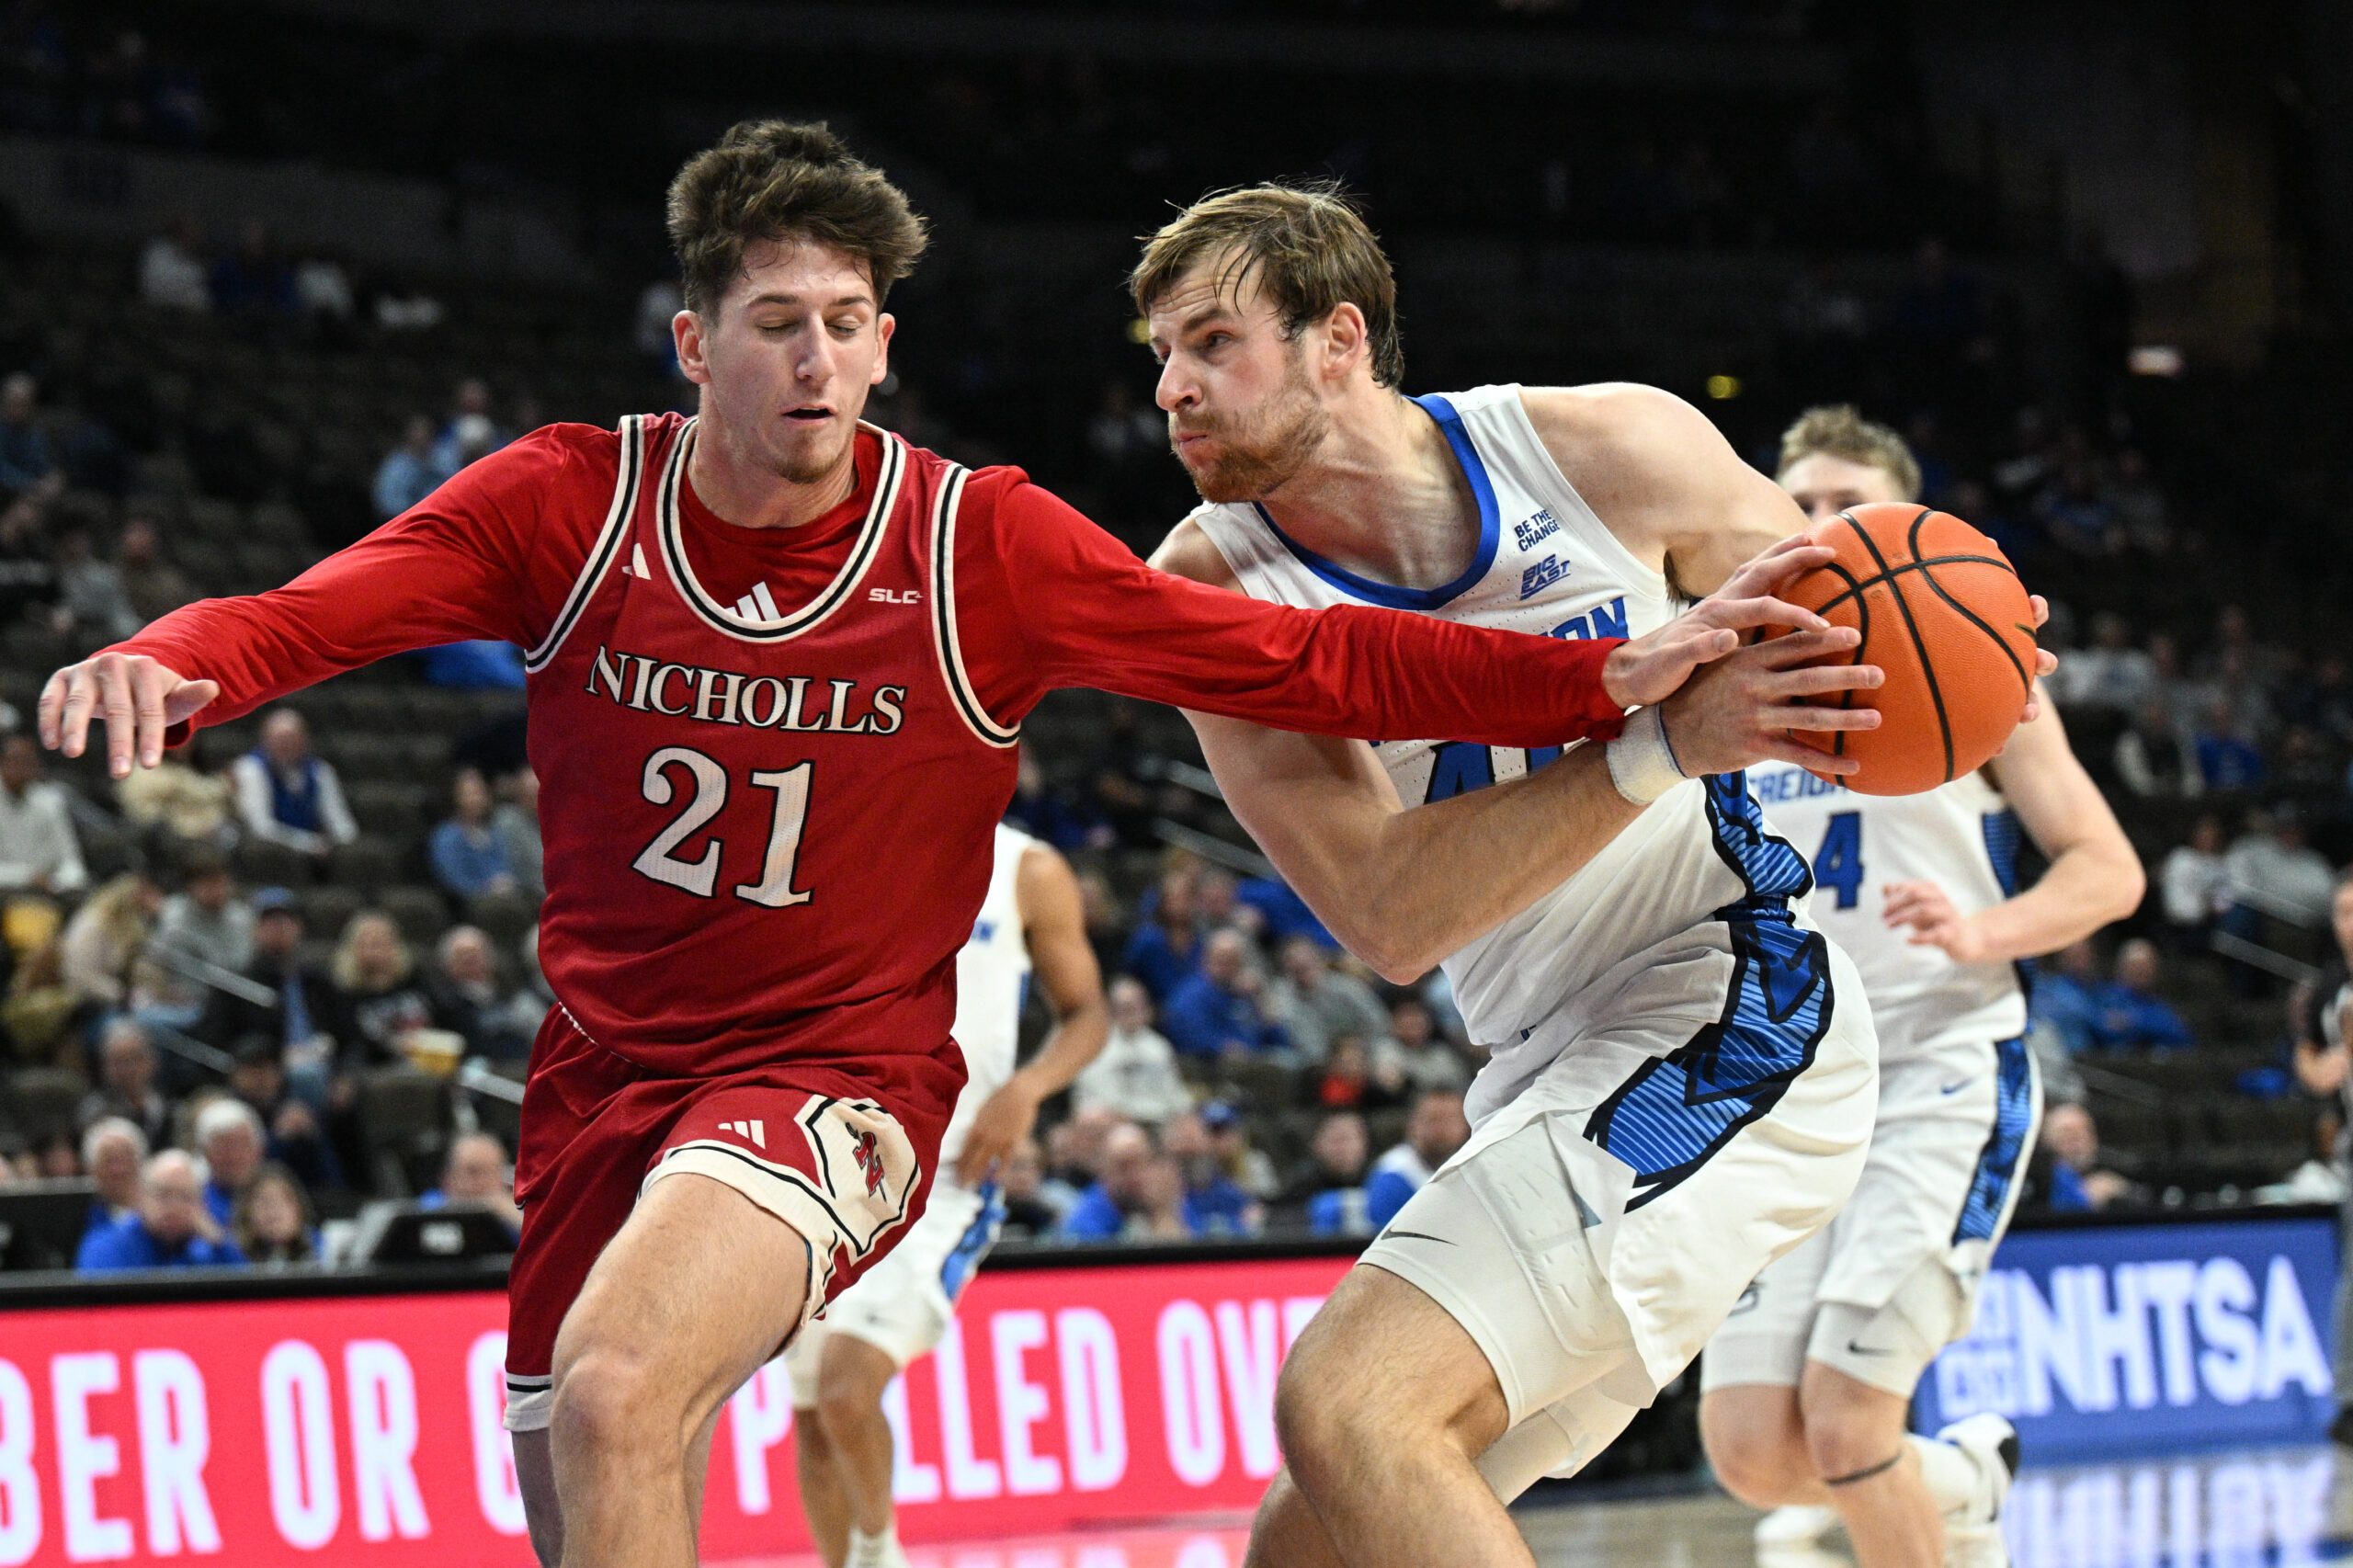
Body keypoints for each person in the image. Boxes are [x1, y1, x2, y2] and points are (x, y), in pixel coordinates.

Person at [38, 121, 1728, 1568]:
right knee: (589, 1474)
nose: (817, 362)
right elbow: (314, 609)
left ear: (886, 344)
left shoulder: (974, 543)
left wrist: (1598, 676)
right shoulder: (567, 503)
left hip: (835, 1076)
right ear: (694, 347)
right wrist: (174, 659)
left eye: (847, 324)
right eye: (776, 323)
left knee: (627, 1381)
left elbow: (1300, 657)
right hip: (600, 1078)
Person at [1133, 187, 2039, 1568]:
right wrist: (1660, 745)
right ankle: (1939, 1492)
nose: (1173, 387)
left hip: (1736, 1010)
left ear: (1338, 341)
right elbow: (1387, 912)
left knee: (1347, 1402)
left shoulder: (1608, 447)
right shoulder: (1213, 587)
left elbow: (1874, 629)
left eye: (1212, 343)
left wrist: (1962, 651)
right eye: (1159, 355)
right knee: (1311, 1535)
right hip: (1544, 1058)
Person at [1706, 405, 2143, 1568]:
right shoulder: (1726, 684)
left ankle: (1918, 1501)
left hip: (1938, 1066)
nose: (1812, 521)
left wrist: (1979, 927)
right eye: (1793, 502)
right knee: (1751, 1450)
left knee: (1849, 1421)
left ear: (1901, 526)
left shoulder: (1975, 662)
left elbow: (2108, 870)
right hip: (1785, 1090)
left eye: (1841, 501)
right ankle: (1964, 1480)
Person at [787, 824, 1108, 1568]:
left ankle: (880, 1553)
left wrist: (1029, 1088)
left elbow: (1087, 1013)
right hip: (833, 1162)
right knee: (810, 1417)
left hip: (950, 1175)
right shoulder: (846, 839)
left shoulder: (1027, 866)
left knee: (845, 1389)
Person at [2289, 871, 2353, 1444]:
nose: (2348, 925)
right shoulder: (2329, 987)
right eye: (2341, 913)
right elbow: (2309, 1062)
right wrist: (2324, 1069)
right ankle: (2349, 1399)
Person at [75, 1150, 245, 1271]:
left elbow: (247, 1296)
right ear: (141, 1196)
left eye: (185, 1197)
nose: (174, 1207)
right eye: (163, 1194)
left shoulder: (211, 1249)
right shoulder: (106, 1246)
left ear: (202, 1204)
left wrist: (219, 1243)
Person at [229, 709, 358, 859]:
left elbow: (342, 825)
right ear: (265, 740)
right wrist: (308, 843)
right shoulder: (250, 768)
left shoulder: (320, 771)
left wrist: (341, 844)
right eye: (279, 739)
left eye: (291, 738)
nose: (285, 745)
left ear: (304, 739)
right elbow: (260, 827)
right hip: (265, 854)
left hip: (312, 855)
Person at [1070, 974, 1190, 1125]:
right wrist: (1138, 1116)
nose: (1135, 1013)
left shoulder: (1158, 1046)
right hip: (1114, 1122)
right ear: (1111, 1009)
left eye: (1140, 1007)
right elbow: (1103, 1098)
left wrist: (1185, 1116)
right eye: (1127, 1008)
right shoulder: (1094, 1046)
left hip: (1158, 1119)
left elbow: (1174, 1092)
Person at [1161, 927, 1287, 1059]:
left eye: (1233, 961)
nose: (1226, 967)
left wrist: (1262, 999)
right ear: (1205, 959)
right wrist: (1225, 1048)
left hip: (1260, 1061)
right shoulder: (1191, 995)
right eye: (1220, 959)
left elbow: (1279, 1041)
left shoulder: (1246, 991)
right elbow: (1194, 1039)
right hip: (1219, 1068)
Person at [1364, 1087, 1471, 1230]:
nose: (1442, 1129)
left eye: (1450, 1120)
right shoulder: (1393, 1173)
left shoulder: (1472, 1167)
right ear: (1413, 1123)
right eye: (1433, 1119)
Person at [0, 731, 88, 897]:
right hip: (6, 892)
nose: (22, 768)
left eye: (28, 762)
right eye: (16, 761)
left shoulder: (51, 802)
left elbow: (71, 861)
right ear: (2, 763)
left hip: (47, 892)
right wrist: (27, 877)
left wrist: (60, 883)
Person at [76, 1018, 171, 1151]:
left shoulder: (167, 1105)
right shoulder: (97, 1111)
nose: (129, 1069)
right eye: (119, 1062)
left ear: (152, 1061)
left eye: (135, 1059)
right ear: (105, 1067)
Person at [430, 767, 520, 904]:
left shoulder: (493, 832)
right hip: (469, 904)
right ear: (455, 797)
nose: (477, 799)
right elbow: (454, 880)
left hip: (505, 898)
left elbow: (505, 866)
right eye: (470, 794)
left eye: (481, 793)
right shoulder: (447, 836)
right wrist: (486, 889)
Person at [2089, 937, 2193, 1051]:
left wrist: (2134, 1022)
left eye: (2147, 967)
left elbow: (2180, 1035)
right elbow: (2102, 1029)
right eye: (2136, 967)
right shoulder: (2105, 998)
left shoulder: (2157, 1004)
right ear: (2122, 968)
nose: (2142, 972)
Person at [421, 1130, 525, 1239]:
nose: (483, 1181)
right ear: (448, 1177)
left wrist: (515, 1219)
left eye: (491, 1172)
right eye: (473, 1171)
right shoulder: (431, 1204)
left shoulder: (517, 1210)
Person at [193, 1094, 266, 1228]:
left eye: (244, 1145)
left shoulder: (278, 1196)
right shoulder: (193, 1200)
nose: (235, 1156)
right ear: (205, 1152)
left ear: (259, 1150)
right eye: (225, 1146)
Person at [233, 1162, 320, 1266]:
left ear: (299, 1209)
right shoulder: (228, 1258)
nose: (274, 1210)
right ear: (246, 1212)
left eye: (283, 1200)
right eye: (264, 1201)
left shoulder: (323, 1250)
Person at [79, 1116, 147, 1241]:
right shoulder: (81, 1219)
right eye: (109, 1161)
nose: (118, 1170)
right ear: (92, 1170)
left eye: (125, 1159)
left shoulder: (159, 1219)